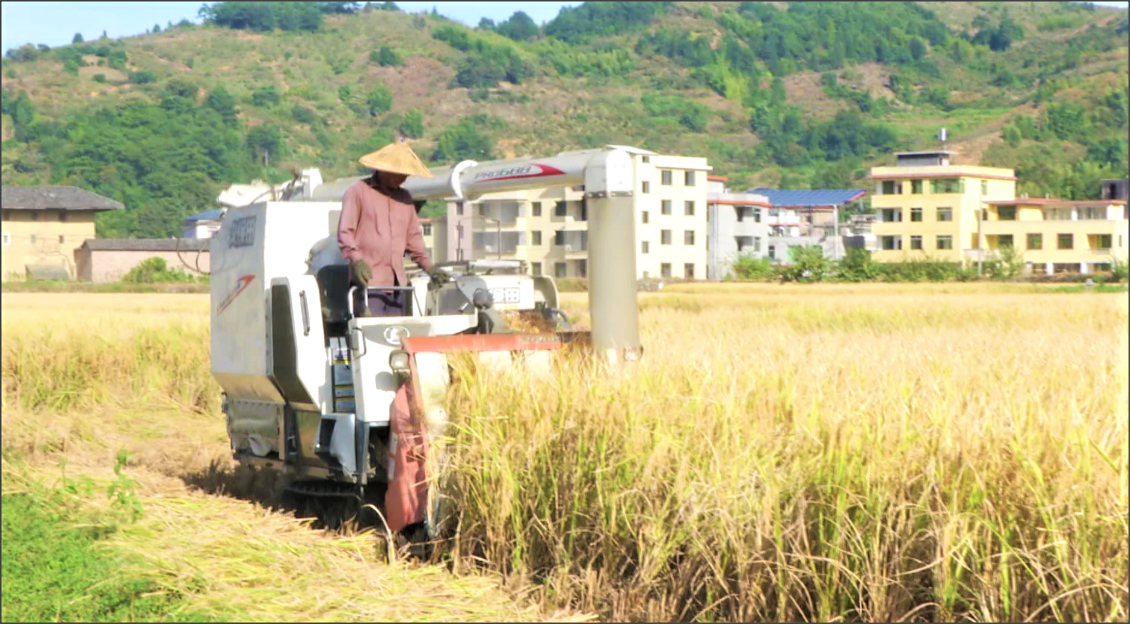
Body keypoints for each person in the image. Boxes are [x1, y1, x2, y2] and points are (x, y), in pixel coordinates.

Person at [338, 140, 448, 317]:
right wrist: (356, 260)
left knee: (398, 336)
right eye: (399, 173)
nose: (403, 177)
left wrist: (430, 268)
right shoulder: (358, 191)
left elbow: (414, 242)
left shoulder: (405, 198)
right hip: (369, 285)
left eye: (406, 174)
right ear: (384, 169)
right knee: (370, 337)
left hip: (398, 287)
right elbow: (345, 233)